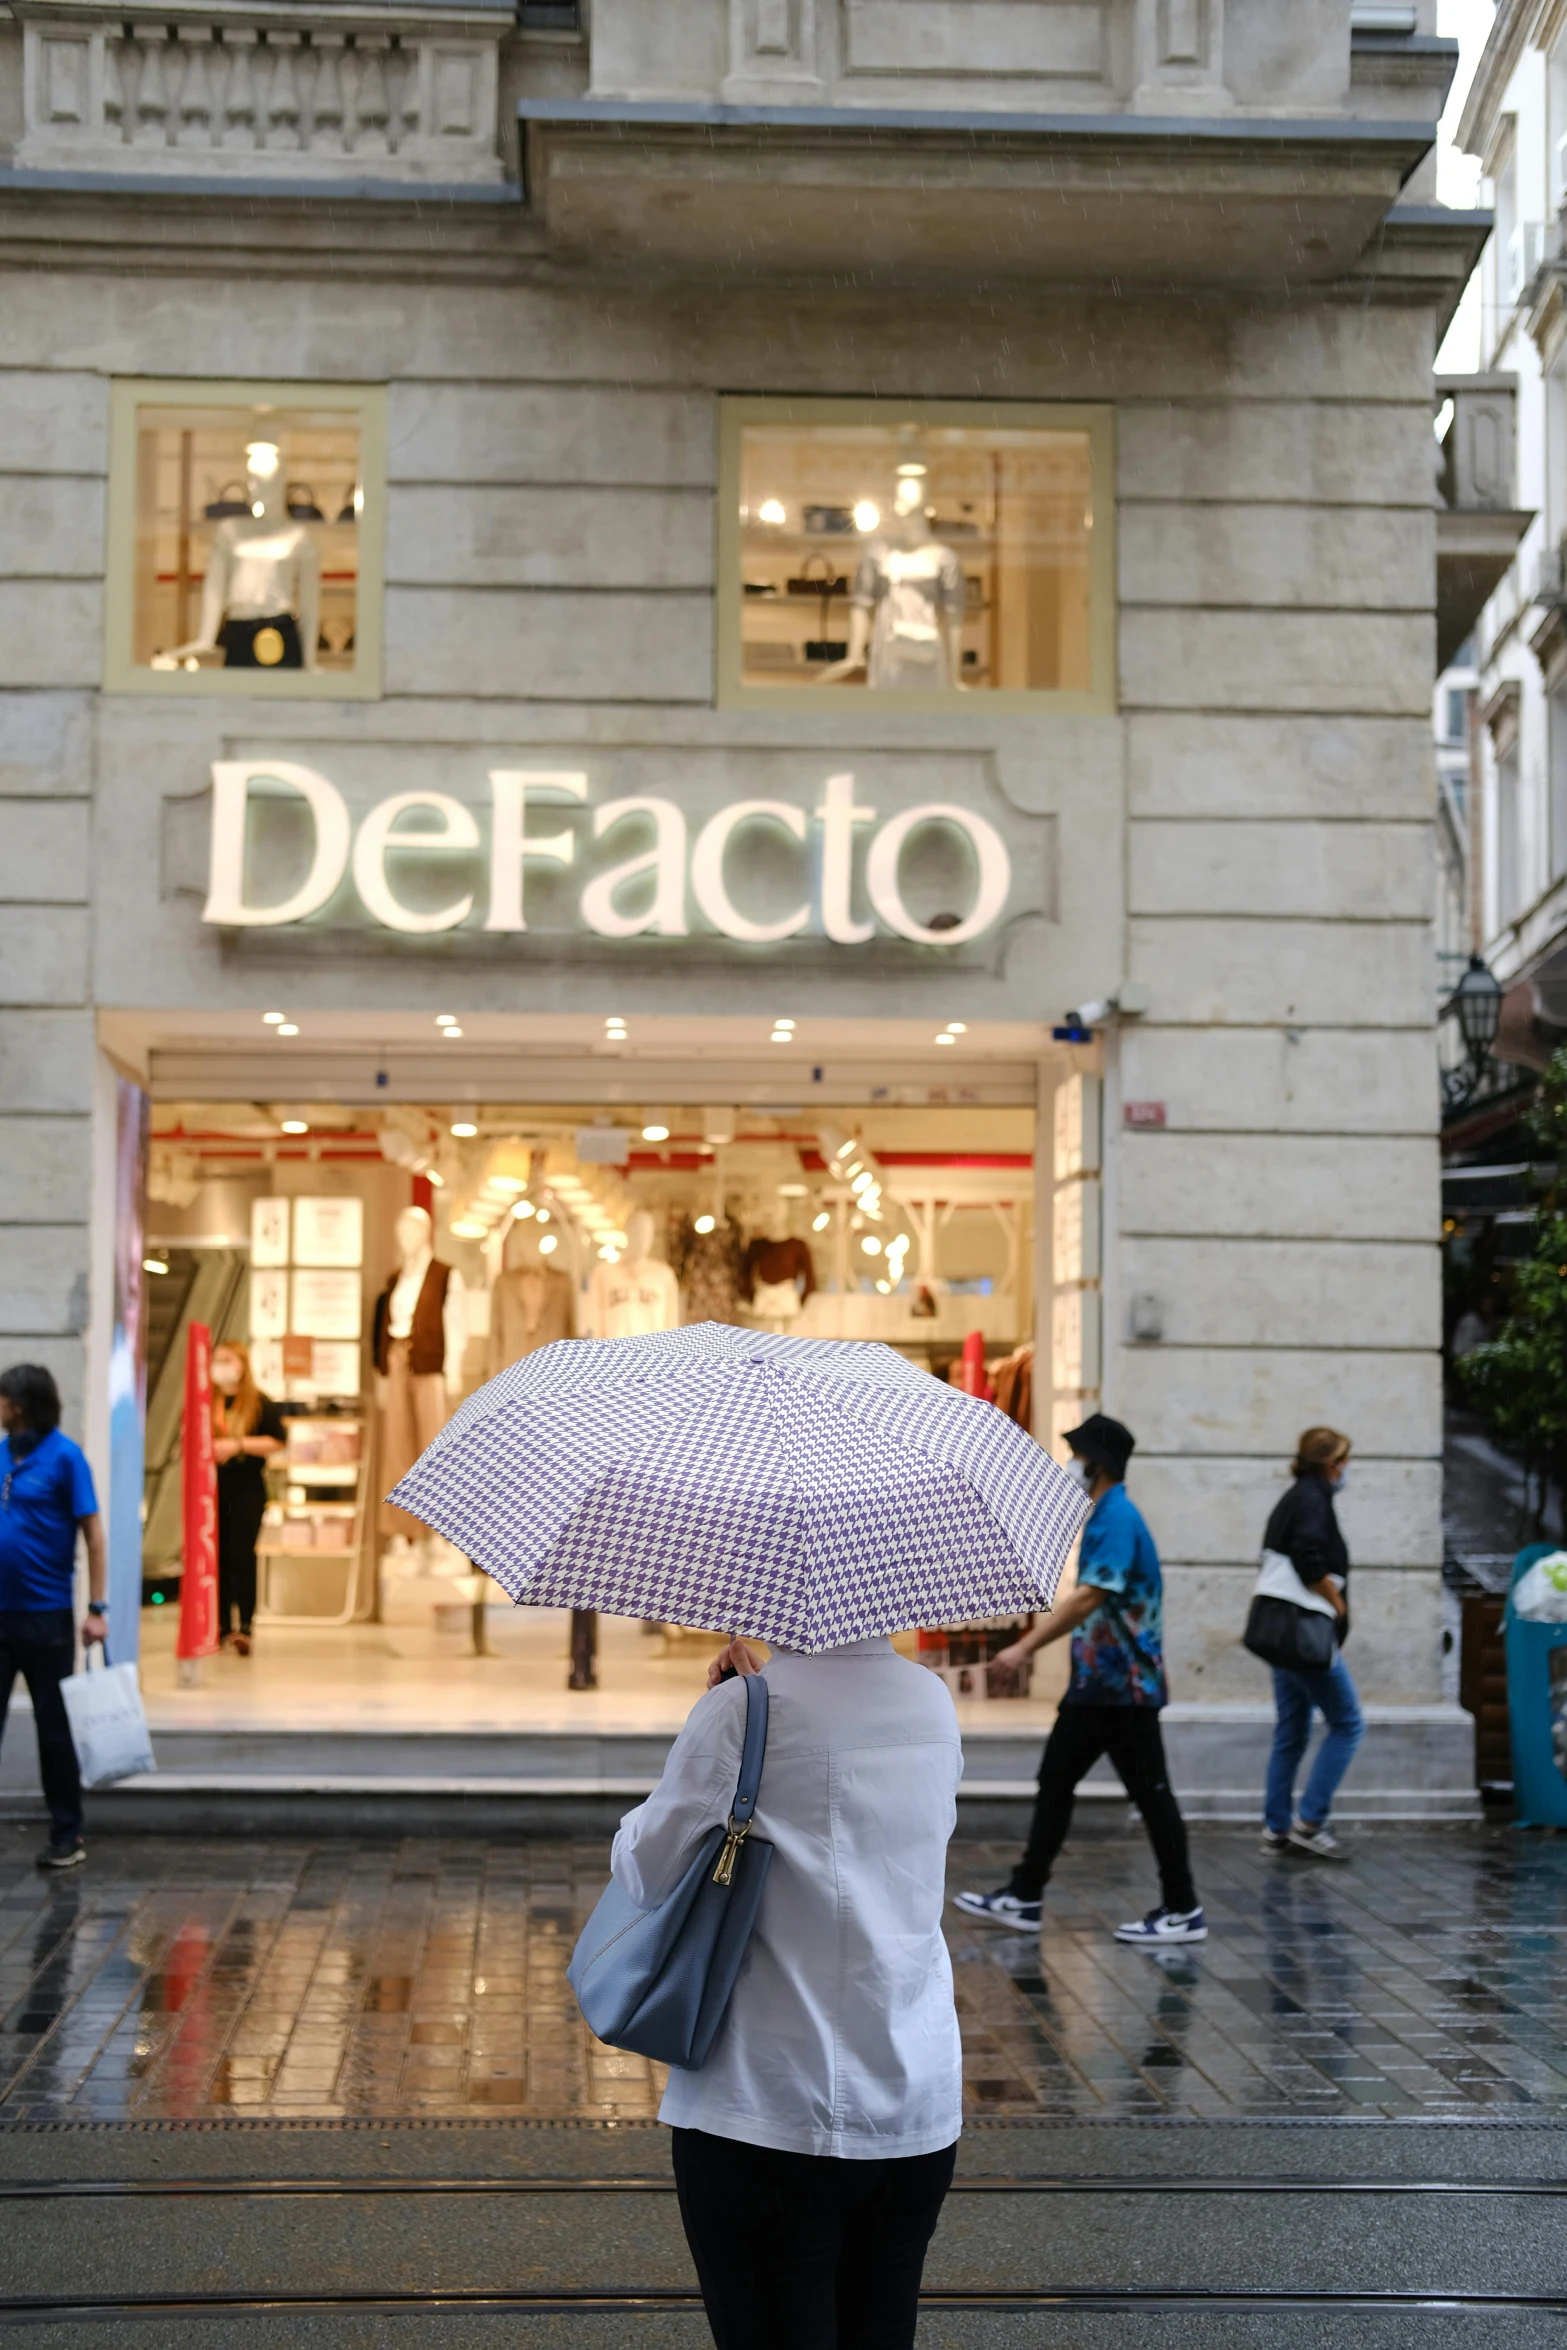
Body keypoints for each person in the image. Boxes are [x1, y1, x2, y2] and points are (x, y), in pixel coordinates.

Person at [612, 1631, 963, 2350]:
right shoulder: (931, 1699)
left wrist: (723, 1718)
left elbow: (646, 1871)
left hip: (763, 2102)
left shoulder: (745, 1710)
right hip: (910, 2098)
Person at [953, 1412, 1205, 1947]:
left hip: (1124, 1689)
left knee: (1150, 1793)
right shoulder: (1103, 1514)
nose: (1070, 1463)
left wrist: (1024, 1645)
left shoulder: (1117, 1517)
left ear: (1098, 1463)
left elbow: (1092, 1594)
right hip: (1099, 1687)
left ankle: (1183, 1907)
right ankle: (1025, 1893)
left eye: (1078, 1455)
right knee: (1057, 1782)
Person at [0, 1363, 107, 1871]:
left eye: (3, 1398)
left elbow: (94, 1534)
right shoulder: (1, 1455)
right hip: (0, 1616)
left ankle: (67, 1834)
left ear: (21, 1404)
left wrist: (97, 1608)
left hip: (47, 1619)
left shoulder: (66, 1458)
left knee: (53, 1731)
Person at [1259, 1425, 1363, 1861]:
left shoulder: (1293, 1498)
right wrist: (1337, 1603)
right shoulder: (1313, 1499)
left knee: (1292, 1732)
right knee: (1348, 1723)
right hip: (1306, 1637)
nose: (1346, 1470)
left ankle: (1277, 1828)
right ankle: (1310, 1822)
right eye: (1343, 1461)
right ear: (1328, 1463)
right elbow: (1308, 1560)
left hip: (1284, 1638)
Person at [210, 1341, 285, 1654]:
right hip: (215, 1486)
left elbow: (277, 1440)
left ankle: (246, 1626)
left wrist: (238, 1445)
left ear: (241, 1365)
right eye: (217, 1360)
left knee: (242, 1553)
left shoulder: (259, 1403)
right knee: (218, 1556)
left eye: (227, 1360)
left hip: (248, 1487)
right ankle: (221, 1624)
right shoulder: (208, 1402)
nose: (221, 1365)